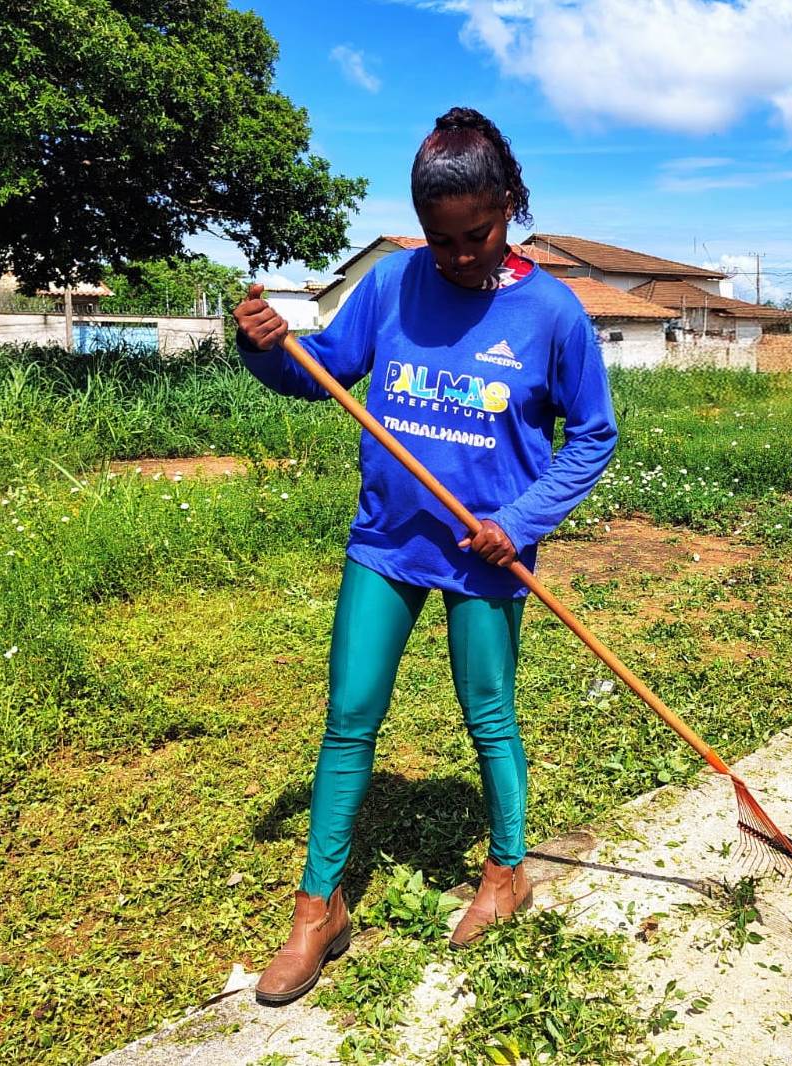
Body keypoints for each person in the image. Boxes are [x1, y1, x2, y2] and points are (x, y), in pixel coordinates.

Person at [231, 107, 618, 1006]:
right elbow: (323, 368)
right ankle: (318, 908)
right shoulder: (393, 283)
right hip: (387, 541)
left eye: (476, 235)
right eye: (441, 240)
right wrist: (265, 347)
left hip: (487, 557)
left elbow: (593, 436)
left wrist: (520, 521)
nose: (459, 257)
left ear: (508, 207)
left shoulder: (551, 312)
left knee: (489, 714)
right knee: (349, 716)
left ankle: (508, 871)